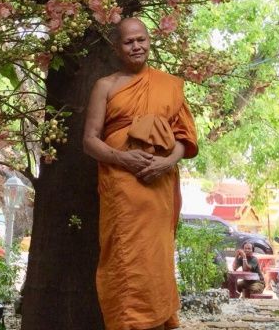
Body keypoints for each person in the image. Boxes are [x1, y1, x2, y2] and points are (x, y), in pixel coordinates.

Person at [83, 17, 198, 330]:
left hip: (159, 184)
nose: (137, 46)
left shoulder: (169, 85)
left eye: (141, 40)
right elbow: (90, 141)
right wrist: (123, 159)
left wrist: (167, 162)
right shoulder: (105, 86)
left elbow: (184, 138)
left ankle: (159, 320)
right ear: (117, 48)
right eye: (129, 42)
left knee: (156, 257)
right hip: (122, 186)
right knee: (125, 258)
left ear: (149, 41)